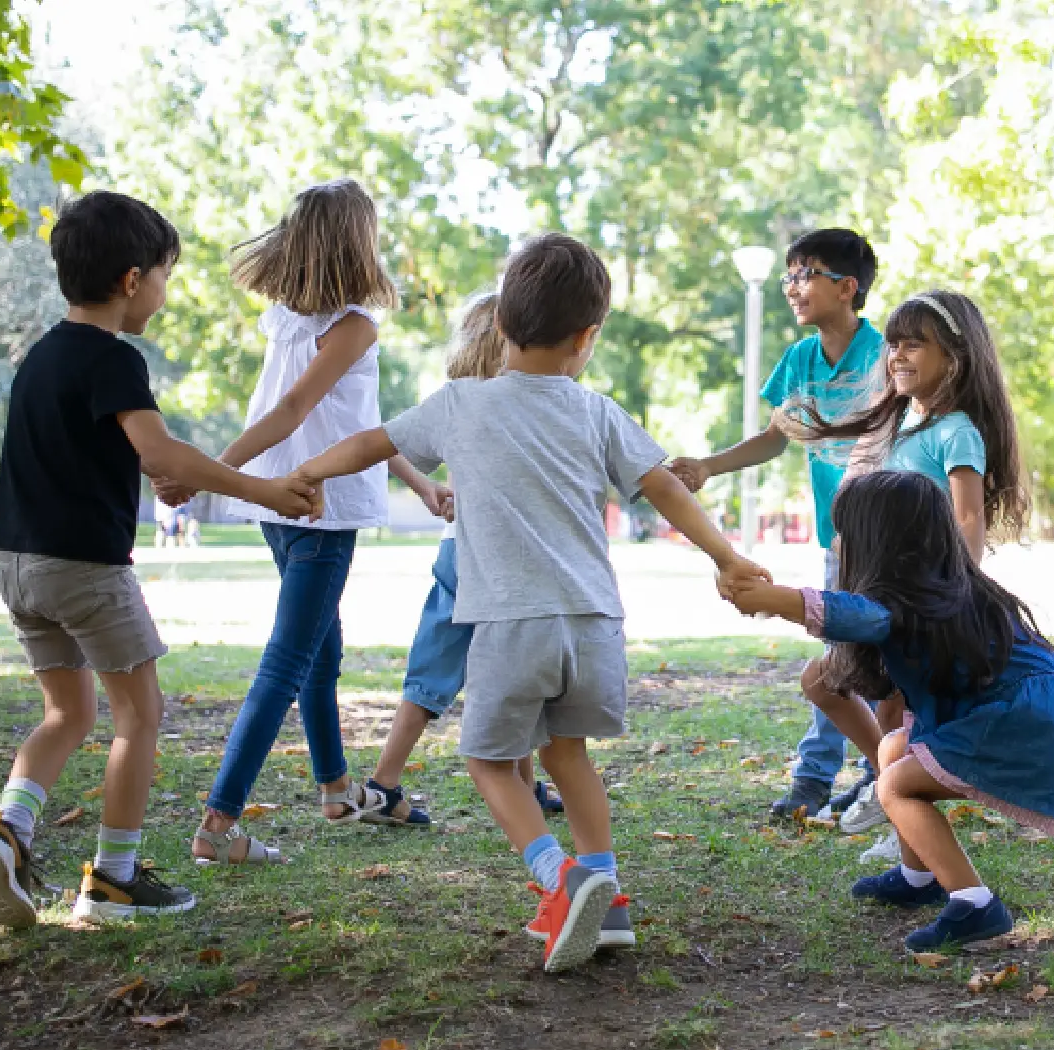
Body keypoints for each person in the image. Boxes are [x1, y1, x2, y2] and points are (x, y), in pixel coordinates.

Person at [292, 232, 767, 973]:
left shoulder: (459, 404)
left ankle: (560, 878)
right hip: (595, 625)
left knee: (486, 759)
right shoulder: (597, 411)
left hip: (513, 625)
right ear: (588, 337)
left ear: (501, 326)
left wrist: (310, 472)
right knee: (568, 757)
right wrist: (728, 556)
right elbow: (667, 486)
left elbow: (372, 443)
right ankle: (607, 899)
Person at [0, 191, 317, 929]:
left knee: (66, 712)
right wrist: (265, 490)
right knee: (139, 716)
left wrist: (157, 471)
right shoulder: (115, 360)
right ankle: (114, 878)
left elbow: (102, 454)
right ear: (131, 281)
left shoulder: (40, 358)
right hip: (85, 570)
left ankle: (9, 831)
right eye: (163, 275)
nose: (163, 290)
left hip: (19, 567)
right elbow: (159, 450)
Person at [161, 179, 419, 866]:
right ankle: (217, 825)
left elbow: (354, 420)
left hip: (278, 502)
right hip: (317, 505)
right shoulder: (354, 323)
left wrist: (419, 481)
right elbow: (292, 413)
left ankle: (335, 788)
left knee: (322, 650)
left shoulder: (286, 317)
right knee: (289, 660)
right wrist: (207, 469)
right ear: (358, 240)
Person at [723, 470, 1054, 950]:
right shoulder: (943, 592)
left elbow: (854, 613)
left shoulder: (907, 603)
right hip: (1027, 720)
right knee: (894, 749)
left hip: (1020, 727)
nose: (836, 544)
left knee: (896, 785)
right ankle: (918, 878)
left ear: (879, 544)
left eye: (845, 534)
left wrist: (772, 599)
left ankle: (976, 905)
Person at [783, 289, 1031, 860]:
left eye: (914, 343)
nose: (897, 354)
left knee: (896, 712)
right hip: (879, 597)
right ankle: (884, 786)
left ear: (955, 358)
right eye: (893, 343)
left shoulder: (957, 432)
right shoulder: (898, 426)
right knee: (824, 682)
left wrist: (960, 592)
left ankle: (902, 826)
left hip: (923, 604)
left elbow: (968, 516)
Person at [666, 228, 883, 823]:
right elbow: (773, 438)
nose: (792, 287)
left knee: (857, 661)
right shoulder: (799, 362)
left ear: (846, 288)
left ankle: (841, 778)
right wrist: (708, 466)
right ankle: (852, 776)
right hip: (837, 542)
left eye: (804, 274)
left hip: (888, 543)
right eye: (787, 276)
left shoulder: (886, 356)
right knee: (841, 657)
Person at [358, 293, 566, 829]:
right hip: (495, 561)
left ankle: (388, 782)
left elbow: (388, 440)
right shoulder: (521, 405)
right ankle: (386, 784)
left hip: (461, 553)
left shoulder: (459, 402)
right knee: (505, 668)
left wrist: (435, 487)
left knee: (442, 673)